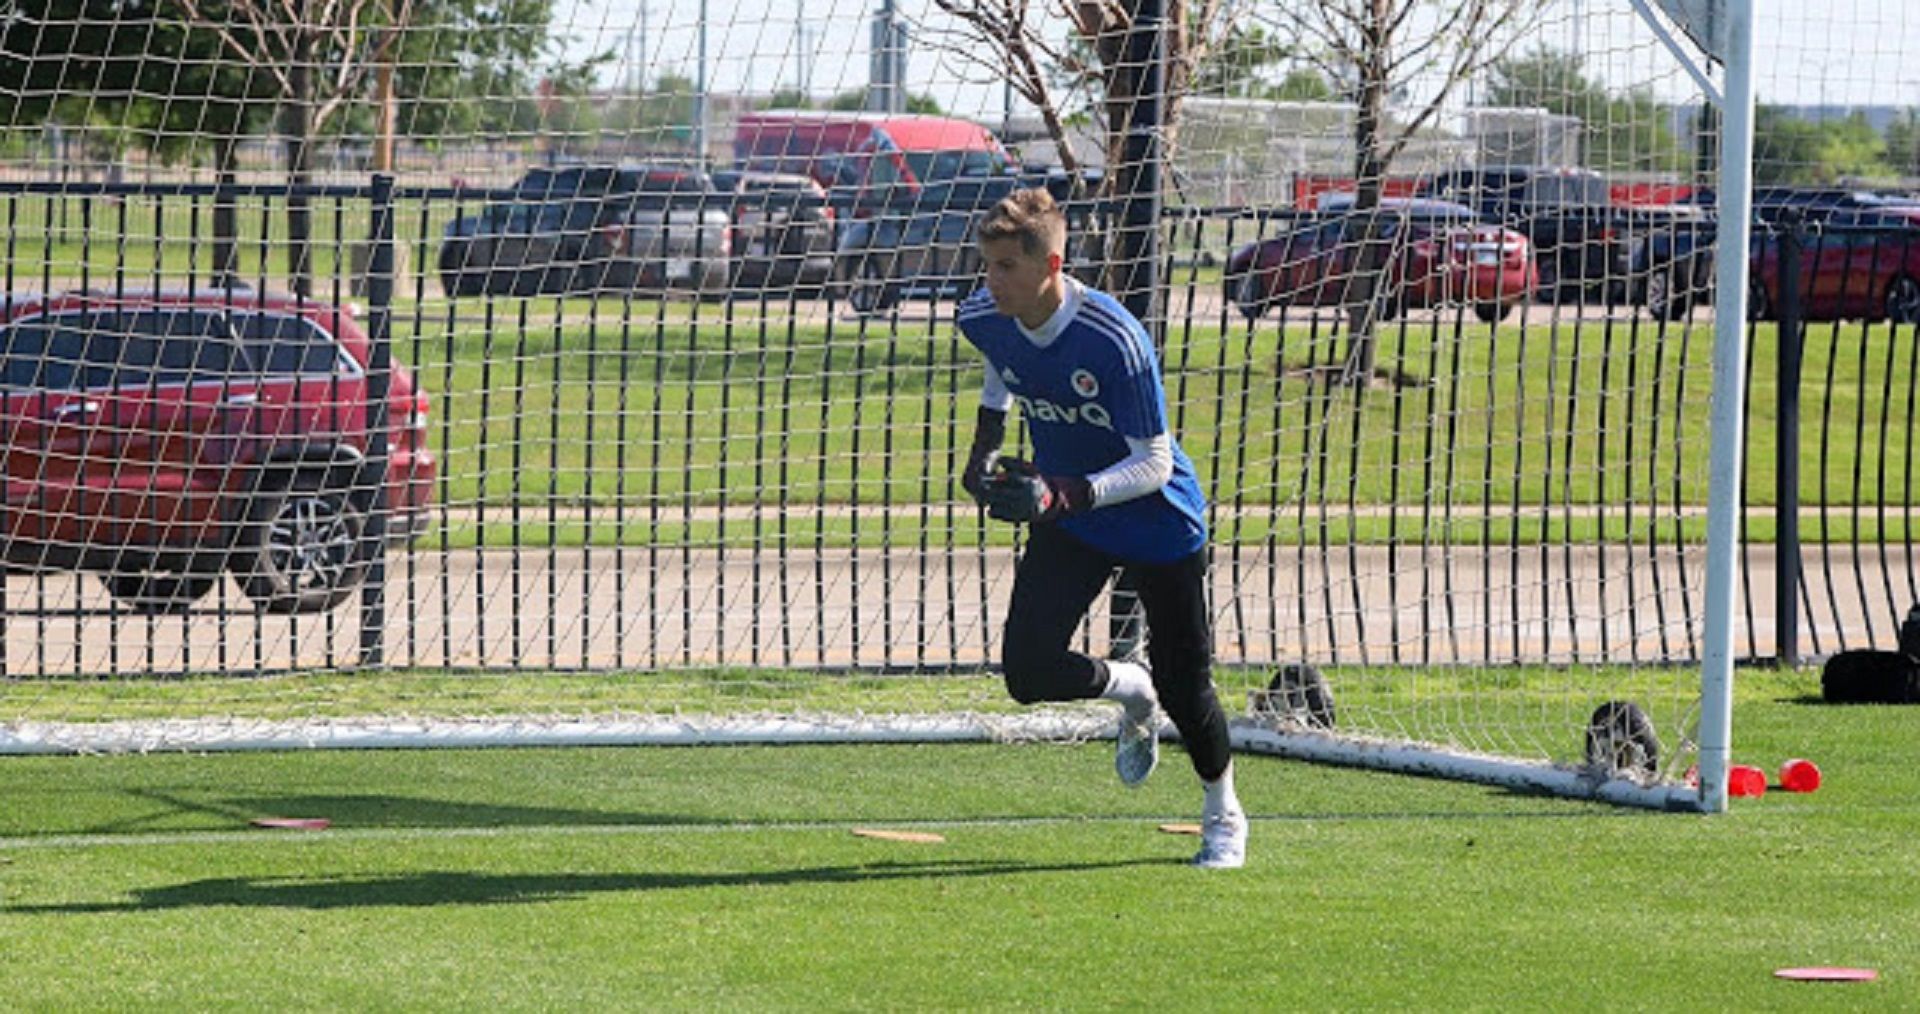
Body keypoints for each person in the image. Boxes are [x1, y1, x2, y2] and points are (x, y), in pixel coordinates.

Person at [956, 187, 1246, 869]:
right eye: (986, 264)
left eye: (1006, 267)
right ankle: (1129, 686)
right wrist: (985, 446)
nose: (990, 281)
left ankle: (1222, 812)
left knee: (1188, 683)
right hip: (1071, 515)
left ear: (1051, 265)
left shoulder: (1113, 337)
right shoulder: (982, 313)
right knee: (1026, 672)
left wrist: (1066, 492)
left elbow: (1154, 461)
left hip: (1154, 519)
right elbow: (1003, 361)